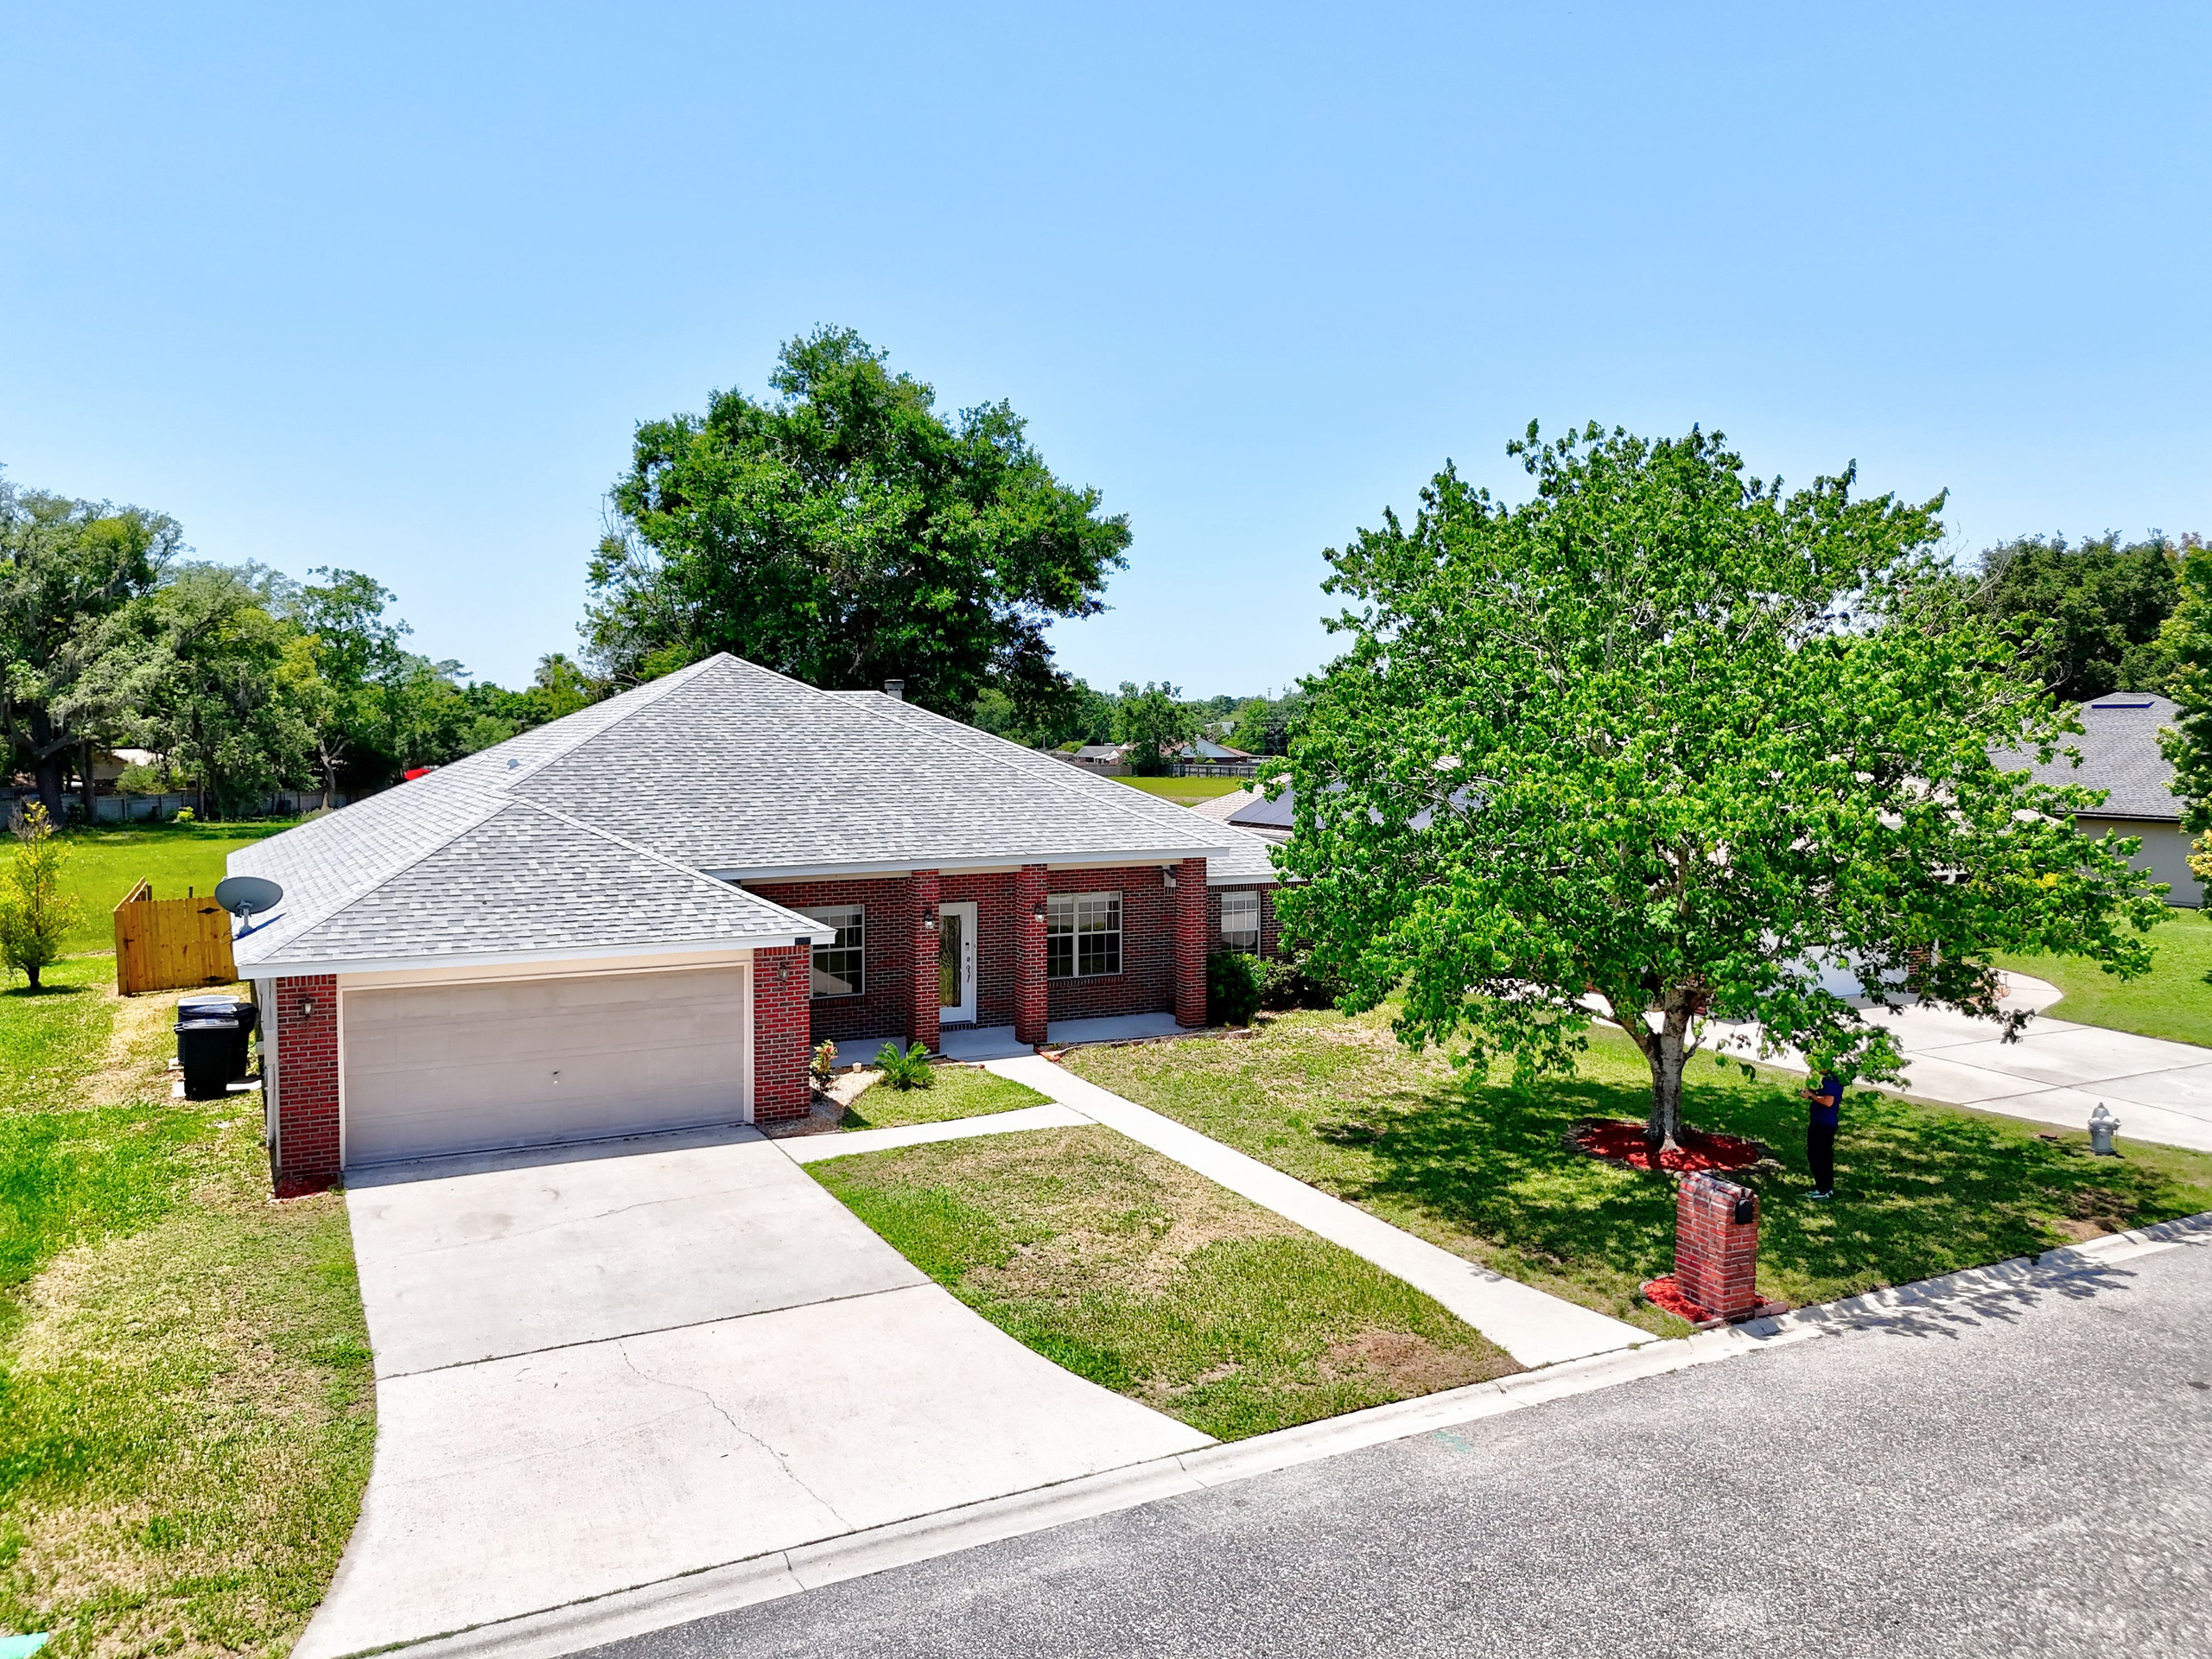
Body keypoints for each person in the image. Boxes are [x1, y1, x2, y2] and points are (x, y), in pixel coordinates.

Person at [1803, 1071, 1843, 1199]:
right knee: (1818, 1155)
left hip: (1824, 1125)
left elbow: (1828, 1101)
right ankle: (1823, 1187)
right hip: (1818, 1122)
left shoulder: (1831, 1080)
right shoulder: (1823, 1079)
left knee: (1819, 1156)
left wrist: (1811, 1096)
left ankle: (1823, 1189)